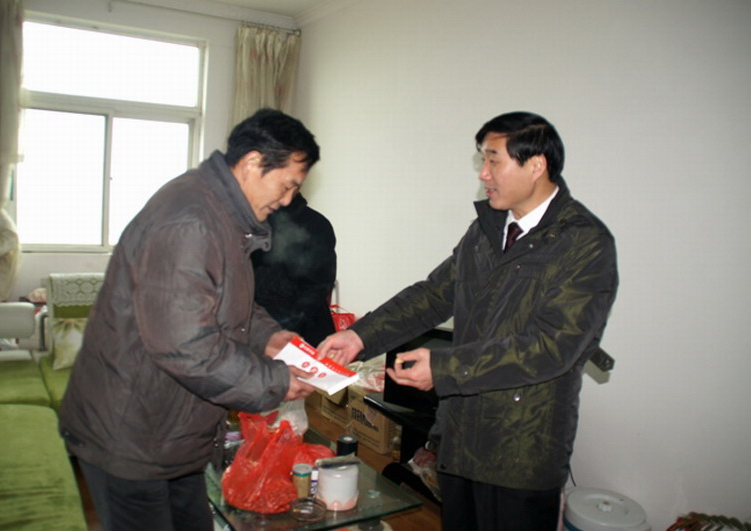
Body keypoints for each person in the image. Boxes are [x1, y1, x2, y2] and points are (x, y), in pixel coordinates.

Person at [317, 111, 619, 530]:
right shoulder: (488, 229)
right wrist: (359, 336)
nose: (484, 174)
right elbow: (433, 294)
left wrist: (443, 368)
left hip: (521, 450)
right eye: (483, 160)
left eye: (494, 160)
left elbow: (552, 347)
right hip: (459, 435)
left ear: (536, 165)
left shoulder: (585, 243)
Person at [59, 108, 321, 531]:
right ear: (253, 162)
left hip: (171, 430)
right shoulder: (191, 222)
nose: (288, 200)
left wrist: (269, 337)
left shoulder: (222, 216)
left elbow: (219, 302)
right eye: (287, 184)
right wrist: (274, 380)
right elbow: (186, 346)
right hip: (132, 435)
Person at [251, 192, 337, 347]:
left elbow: (317, 288)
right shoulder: (245, 224)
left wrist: (277, 330)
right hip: (252, 331)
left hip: (303, 334)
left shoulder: (315, 224)